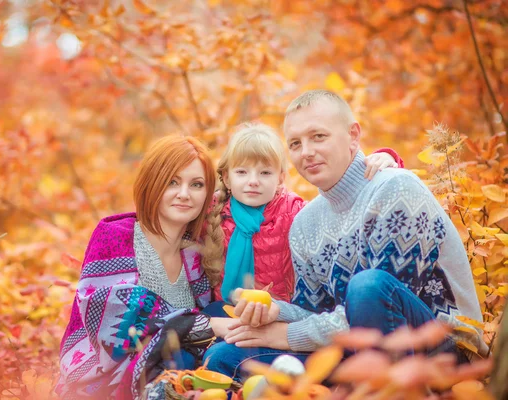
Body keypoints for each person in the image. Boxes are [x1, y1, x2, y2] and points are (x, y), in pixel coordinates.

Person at [204, 90, 487, 379]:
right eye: (295, 143)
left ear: (353, 135)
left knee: (367, 287)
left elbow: (379, 309)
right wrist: (278, 313)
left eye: (319, 137)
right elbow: (317, 316)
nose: (307, 152)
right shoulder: (305, 224)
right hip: (354, 349)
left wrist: (286, 335)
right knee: (225, 357)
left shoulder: (394, 189)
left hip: (442, 349)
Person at [57, 136, 231, 400]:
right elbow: (112, 317)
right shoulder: (115, 235)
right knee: (179, 352)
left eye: (196, 185)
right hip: (107, 381)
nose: (184, 194)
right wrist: (207, 324)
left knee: (222, 317)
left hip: (180, 374)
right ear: (152, 184)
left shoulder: (195, 254)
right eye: (172, 182)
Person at [201, 123, 402, 306]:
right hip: (226, 310)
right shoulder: (212, 210)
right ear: (227, 178)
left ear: (280, 178)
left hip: (280, 312)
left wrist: (388, 158)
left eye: (265, 173)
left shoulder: (292, 210)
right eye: (242, 172)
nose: (253, 181)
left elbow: (346, 206)